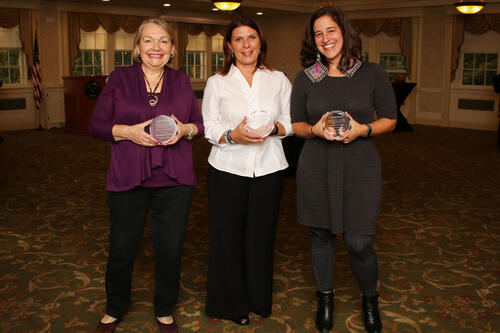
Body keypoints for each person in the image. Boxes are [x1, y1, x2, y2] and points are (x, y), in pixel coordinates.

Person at [88, 18, 204, 333]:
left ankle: (165, 309)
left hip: (175, 180)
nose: (156, 47)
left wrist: (185, 130)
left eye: (164, 41)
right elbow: (96, 126)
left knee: (170, 248)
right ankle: (114, 308)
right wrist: (127, 132)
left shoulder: (181, 80)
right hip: (128, 178)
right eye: (149, 41)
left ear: (173, 49)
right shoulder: (119, 79)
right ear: (137, 48)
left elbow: (199, 125)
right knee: (123, 247)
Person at [290, 6, 396, 333]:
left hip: (360, 162)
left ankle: (369, 298)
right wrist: (315, 129)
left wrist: (363, 129)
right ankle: (325, 298)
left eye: (331, 30)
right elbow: (297, 124)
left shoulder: (371, 72)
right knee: (320, 234)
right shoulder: (306, 77)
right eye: (318, 33)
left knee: (358, 241)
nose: (325, 39)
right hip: (316, 162)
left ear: (344, 32)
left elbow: (389, 119)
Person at [202, 17, 292, 326]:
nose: (246, 45)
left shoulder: (278, 79)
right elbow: (209, 126)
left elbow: (292, 121)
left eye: (251, 38)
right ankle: (231, 304)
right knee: (228, 238)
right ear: (229, 45)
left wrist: (274, 128)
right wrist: (233, 135)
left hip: (269, 169)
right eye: (238, 39)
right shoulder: (217, 82)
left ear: (260, 42)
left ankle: (258, 299)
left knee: (260, 237)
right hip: (227, 168)